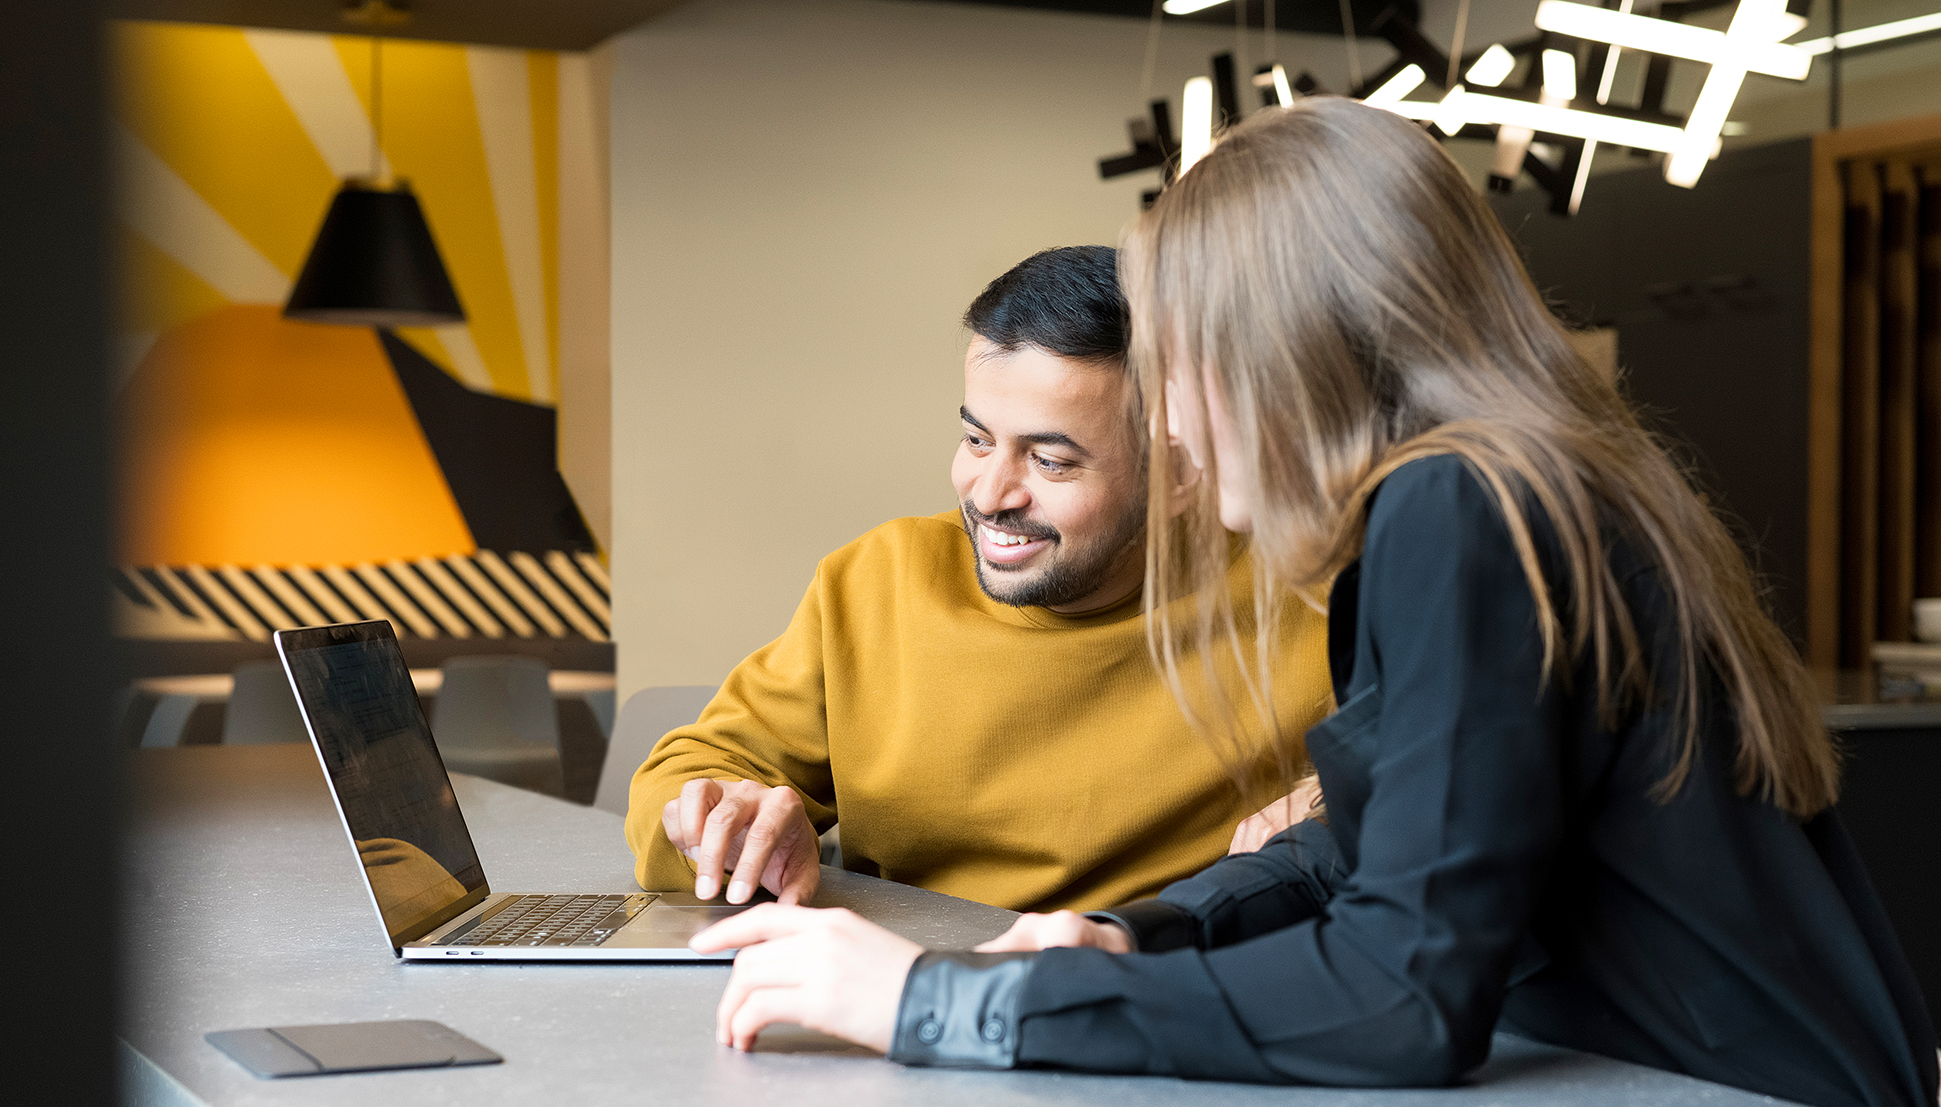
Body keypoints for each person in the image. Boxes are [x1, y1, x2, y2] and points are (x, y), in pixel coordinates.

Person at [690, 100, 1940, 1107]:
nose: (1172, 425)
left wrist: (934, 1006)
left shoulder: (1460, 510)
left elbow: (1403, 1001)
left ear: (1280, 351)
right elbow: (1372, 847)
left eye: (1176, 370)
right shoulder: (1513, 486)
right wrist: (1135, 936)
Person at [626, 245, 1332, 913]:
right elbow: (697, 763)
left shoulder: (1311, 596)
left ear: (1178, 472)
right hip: (890, 995)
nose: (990, 493)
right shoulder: (877, 579)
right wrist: (720, 823)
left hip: (1147, 1004)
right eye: (976, 439)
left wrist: (1337, 801)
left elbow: (1426, 782)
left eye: (1051, 460)